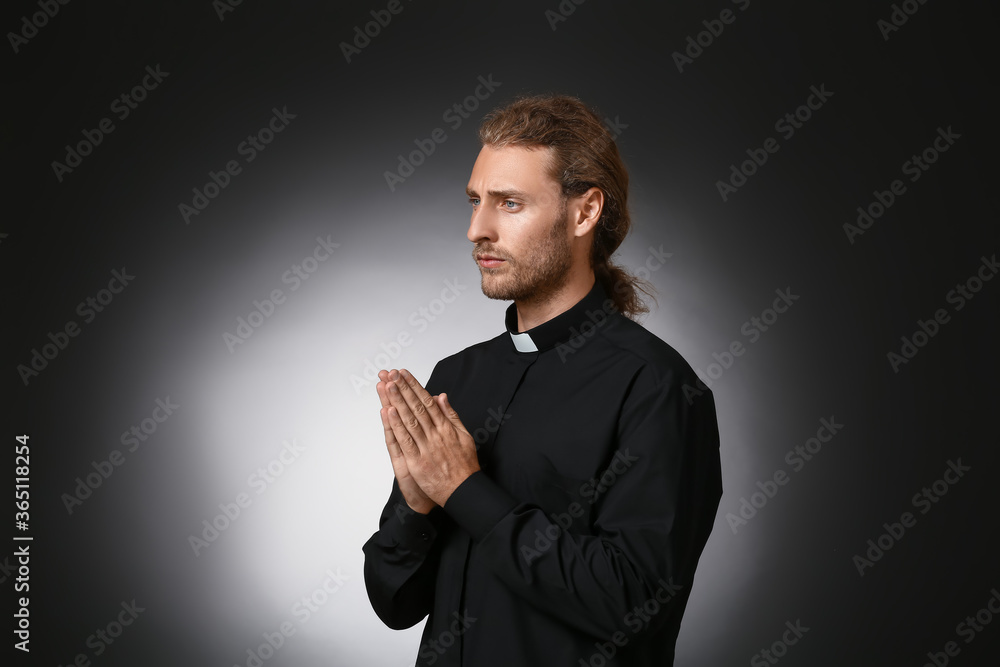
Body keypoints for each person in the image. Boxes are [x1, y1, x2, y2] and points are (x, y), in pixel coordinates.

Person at [362, 94, 722, 666]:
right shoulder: (457, 376)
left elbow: (633, 607)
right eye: (475, 201)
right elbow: (395, 603)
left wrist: (463, 490)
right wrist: (415, 504)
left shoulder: (657, 388)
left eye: (509, 203)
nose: (477, 229)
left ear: (584, 213)